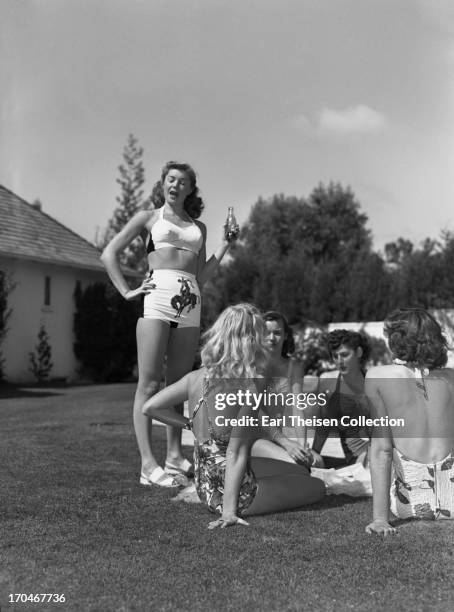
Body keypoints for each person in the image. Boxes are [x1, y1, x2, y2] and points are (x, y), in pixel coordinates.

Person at [101, 161, 238, 487]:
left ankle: (175, 457)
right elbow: (109, 253)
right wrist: (127, 291)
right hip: (157, 301)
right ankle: (148, 465)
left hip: (190, 304)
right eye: (170, 179)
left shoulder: (199, 228)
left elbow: (201, 276)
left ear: (191, 188)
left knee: (178, 387)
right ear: (163, 183)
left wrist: (225, 244)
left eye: (182, 181)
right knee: (148, 385)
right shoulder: (147, 218)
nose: (175, 185)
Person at [142, 304, 326, 528]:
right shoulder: (250, 381)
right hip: (234, 493)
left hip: (205, 483)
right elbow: (236, 451)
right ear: (250, 338)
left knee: (299, 471)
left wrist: (189, 424)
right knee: (317, 486)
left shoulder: (197, 376)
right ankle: (230, 507)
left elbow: (150, 407)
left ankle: (218, 499)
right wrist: (229, 512)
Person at [365, 308, 454, 536]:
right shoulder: (451, 377)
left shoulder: (378, 376)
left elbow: (381, 451)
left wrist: (380, 519)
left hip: (410, 506)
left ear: (396, 339)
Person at [251, 311, 312, 467]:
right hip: (251, 439)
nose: (272, 338)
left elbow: (298, 408)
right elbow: (254, 410)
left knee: (317, 462)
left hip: (277, 440)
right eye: (266, 333)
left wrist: (303, 445)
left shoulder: (294, 367)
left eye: (277, 333)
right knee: (294, 463)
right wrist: (287, 443)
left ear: (285, 336)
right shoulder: (251, 366)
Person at [311, 330, 371, 468]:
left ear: (359, 352)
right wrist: (314, 454)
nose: (339, 361)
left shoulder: (374, 381)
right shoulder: (329, 382)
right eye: (335, 356)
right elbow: (324, 423)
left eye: (344, 355)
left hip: (377, 452)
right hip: (356, 458)